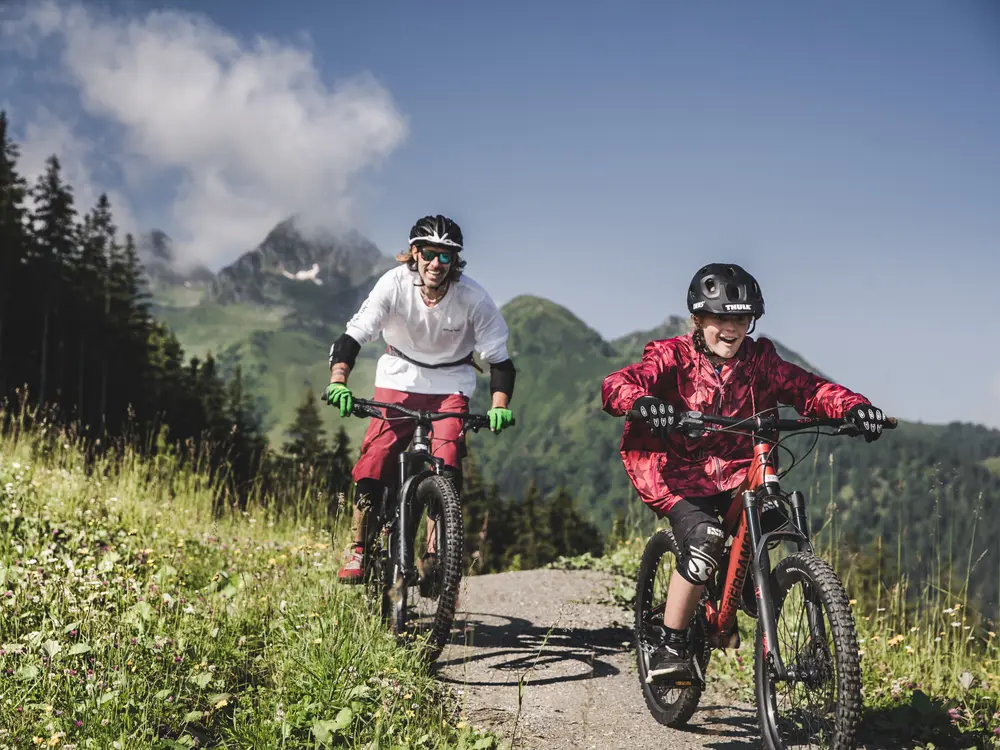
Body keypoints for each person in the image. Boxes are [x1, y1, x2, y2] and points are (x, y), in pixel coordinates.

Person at [601, 262, 886, 681]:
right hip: (679, 474)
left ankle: (752, 591)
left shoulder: (760, 361)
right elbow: (618, 384)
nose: (731, 329)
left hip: (740, 470)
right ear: (698, 320)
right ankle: (671, 644)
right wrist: (643, 403)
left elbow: (810, 389)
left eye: (741, 319)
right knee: (704, 541)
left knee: (774, 517)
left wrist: (855, 407)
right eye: (720, 318)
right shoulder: (671, 356)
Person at [326, 214, 516, 584]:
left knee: (447, 459)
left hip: (451, 383)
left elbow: (500, 362)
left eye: (445, 256)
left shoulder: (474, 298)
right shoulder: (393, 284)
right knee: (376, 455)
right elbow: (353, 336)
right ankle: (358, 547)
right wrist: (338, 382)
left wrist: (499, 406)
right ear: (415, 253)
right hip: (398, 375)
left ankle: (434, 551)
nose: (436, 263)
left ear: (455, 260)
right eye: (429, 253)